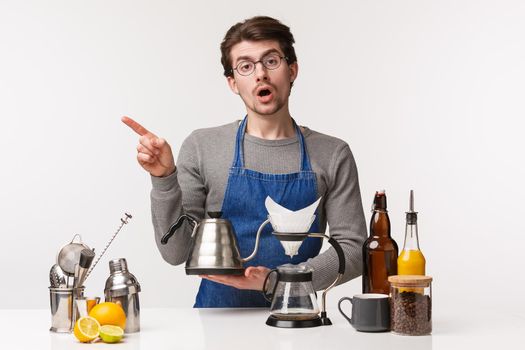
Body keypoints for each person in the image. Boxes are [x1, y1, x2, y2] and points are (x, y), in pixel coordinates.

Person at [123, 16, 367, 308]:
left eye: (271, 61)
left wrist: (278, 281)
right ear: (233, 82)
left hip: (299, 323)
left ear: (292, 70)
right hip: (218, 323)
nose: (260, 74)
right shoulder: (203, 147)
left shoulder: (333, 153)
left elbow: (354, 251)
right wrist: (164, 179)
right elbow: (176, 253)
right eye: (246, 66)